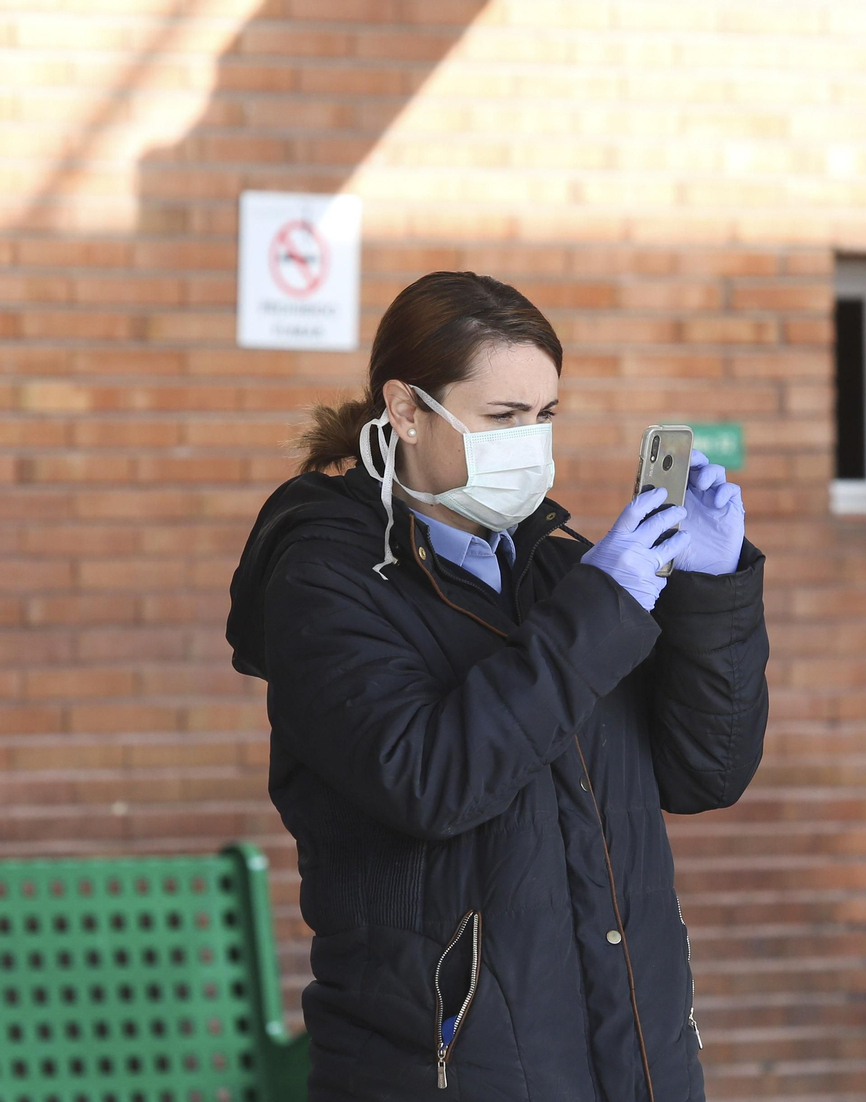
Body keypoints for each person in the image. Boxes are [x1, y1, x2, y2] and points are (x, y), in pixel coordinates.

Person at [226, 271, 769, 1100]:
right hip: (443, 1069)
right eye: (503, 418)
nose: (530, 443)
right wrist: (606, 602)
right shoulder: (328, 581)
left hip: (632, 1059)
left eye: (545, 416)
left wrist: (710, 588)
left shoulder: (563, 573)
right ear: (406, 411)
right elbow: (429, 780)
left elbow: (706, 772)